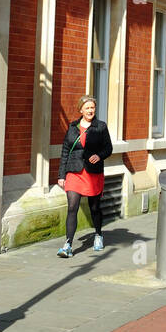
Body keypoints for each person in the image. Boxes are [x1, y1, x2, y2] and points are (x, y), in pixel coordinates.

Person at [57, 94, 113, 256]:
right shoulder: (73, 127)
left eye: (93, 108)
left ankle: (98, 234)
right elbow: (65, 151)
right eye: (87, 108)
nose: (90, 110)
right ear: (81, 110)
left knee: (94, 207)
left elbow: (108, 148)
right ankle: (68, 245)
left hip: (92, 173)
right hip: (74, 172)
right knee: (72, 207)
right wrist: (62, 175)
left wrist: (99, 155)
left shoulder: (100, 127)